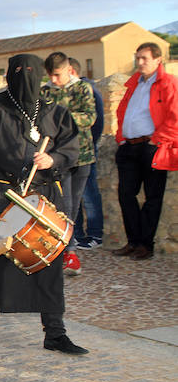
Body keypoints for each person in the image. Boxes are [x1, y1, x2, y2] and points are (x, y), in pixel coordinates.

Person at [0, 53, 87, 355]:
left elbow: (72, 148)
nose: (24, 78)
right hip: (2, 197)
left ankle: (55, 332)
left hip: (43, 197)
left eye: (30, 73)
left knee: (49, 263)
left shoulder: (53, 111)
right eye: (18, 73)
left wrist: (53, 159)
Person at [114, 42, 178, 260]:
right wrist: (120, 139)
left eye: (145, 58)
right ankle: (133, 241)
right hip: (129, 147)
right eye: (138, 57)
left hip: (152, 147)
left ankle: (145, 245)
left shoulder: (168, 83)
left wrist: (157, 141)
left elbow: (174, 117)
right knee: (125, 195)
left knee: (153, 197)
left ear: (158, 60)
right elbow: (123, 112)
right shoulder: (134, 84)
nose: (140, 62)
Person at [42, 52, 97, 276]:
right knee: (63, 206)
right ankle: (68, 251)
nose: (54, 80)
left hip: (82, 156)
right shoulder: (45, 91)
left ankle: (68, 251)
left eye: (57, 75)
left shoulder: (82, 89)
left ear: (68, 70)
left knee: (73, 206)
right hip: (58, 158)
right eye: (50, 76)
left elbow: (89, 118)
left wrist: (61, 119)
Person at [70, 58, 104, 249]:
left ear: (71, 71)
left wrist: (89, 144)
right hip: (70, 153)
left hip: (86, 151)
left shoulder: (90, 90)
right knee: (73, 196)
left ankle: (95, 235)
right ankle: (77, 234)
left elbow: (96, 123)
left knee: (89, 194)